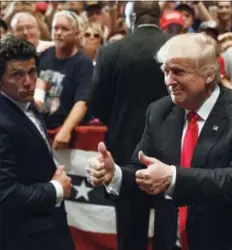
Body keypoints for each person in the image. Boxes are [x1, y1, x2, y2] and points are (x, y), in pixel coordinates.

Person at [88, 33, 232, 250]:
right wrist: (115, 175)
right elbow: (144, 169)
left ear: (208, 75)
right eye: (165, 72)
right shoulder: (159, 111)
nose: (169, 81)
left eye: (178, 72)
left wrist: (173, 177)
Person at [87, 2, 169, 250]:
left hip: (125, 151)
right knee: (169, 228)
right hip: (172, 152)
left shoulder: (111, 52)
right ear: (160, 17)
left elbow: (97, 104)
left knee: (130, 233)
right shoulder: (179, 47)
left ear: (131, 17)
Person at [0, 35, 74, 250]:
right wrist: (55, 189)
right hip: (22, 236)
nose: (28, 82)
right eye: (17, 74)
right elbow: (5, 194)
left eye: (32, 72)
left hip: (47, 227)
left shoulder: (26, 104)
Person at [36, 10, 93, 150]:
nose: (58, 32)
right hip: (40, 128)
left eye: (65, 29)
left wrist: (66, 129)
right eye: (56, 28)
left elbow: (82, 102)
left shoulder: (83, 63)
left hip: (65, 133)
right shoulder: (43, 56)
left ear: (77, 34)